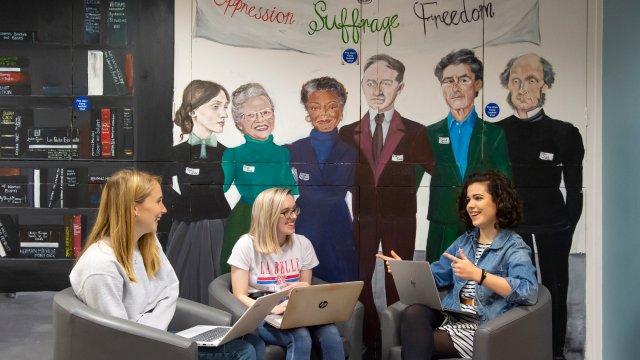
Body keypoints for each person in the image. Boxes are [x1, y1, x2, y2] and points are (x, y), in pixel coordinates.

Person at [69, 169, 264, 360]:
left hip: (161, 335)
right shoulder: (101, 266)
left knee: (254, 342)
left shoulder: (148, 242)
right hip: (142, 347)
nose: (164, 209)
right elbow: (121, 338)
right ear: (134, 208)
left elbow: (170, 289)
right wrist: (161, 328)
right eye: (158, 201)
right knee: (242, 351)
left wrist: (155, 322)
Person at [377, 170, 538, 359]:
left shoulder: (514, 246)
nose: (470, 205)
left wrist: (480, 275)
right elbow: (437, 275)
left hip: (483, 326)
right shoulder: (465, 241)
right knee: (414, 312)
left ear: (499, 201)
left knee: (417, 344)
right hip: (453, 316)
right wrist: (404, 270)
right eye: (468, 199)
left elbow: (529, 291)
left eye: (478, 198)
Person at [338, 54, 434, 353]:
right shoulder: (347, 132)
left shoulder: (417, 132)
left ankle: (397, 338)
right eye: (371, 82)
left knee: (397, 279)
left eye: (386, 82)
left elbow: (436, 171)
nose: (378, 89)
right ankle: (371, 339)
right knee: (361, 277)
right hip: (363, 217)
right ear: (363, 86)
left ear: (400, 87)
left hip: (401, 218)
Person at [496, 53, 584, 360]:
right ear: (507, 83)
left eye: (531, 79)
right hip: (513, 226)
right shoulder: (496, 132)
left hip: (553, 225)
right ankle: (519, 345)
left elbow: (575, 191)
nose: (522, 88)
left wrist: (567, 231)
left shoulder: (565, 132)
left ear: (545, 83)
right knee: (515, 288)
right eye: (516, 80)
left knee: (555, 287)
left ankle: (554, 349)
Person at [227, 187, 345, 360]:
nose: (294, 216)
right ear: (268, 215)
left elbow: (305, 286)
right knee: (301, 336)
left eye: (294, 210)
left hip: (296, 307)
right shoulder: (246, 245)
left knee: (332, 334)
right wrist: (272, 308)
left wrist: (305, 289)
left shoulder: (303, 244)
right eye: (285, 212)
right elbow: (239, 295)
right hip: (263, 311)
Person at [426, 48, 512, 263]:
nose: (455, 88)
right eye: (447, 81)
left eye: (463, 79)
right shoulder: (428, 134)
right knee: (439, 288)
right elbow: (409, 183)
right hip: (442, 227)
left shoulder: (494, 134)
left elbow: (505, 185)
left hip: (481, 227)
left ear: (478, 84)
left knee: (476, 291)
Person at [163, 80, 232, 304]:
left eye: (225, 107)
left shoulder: (228, 154)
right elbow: (160, 186)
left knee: (221, 285)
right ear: (193, 110)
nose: (223, 114)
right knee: (186, 287)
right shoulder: (176, 153)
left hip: (222, 227)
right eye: (215, 106)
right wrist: (181, 209)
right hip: (187, 229)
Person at [220, 83, 298, 274]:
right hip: (246, 219)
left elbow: (292, 192)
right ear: (239, 122)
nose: (260, 120)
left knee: (276, 274)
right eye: (251, 115)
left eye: (265, 112)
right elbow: (218, 189)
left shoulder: (283, 154)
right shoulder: (233, 155)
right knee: (240, 273)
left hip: (278, 219)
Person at [286, 76, 358, 283]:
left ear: (341, 110)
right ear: (308, 112)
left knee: (341, 284)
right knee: (303, 287)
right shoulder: (294, 150)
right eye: (316, 107)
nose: (324, 114)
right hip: (304, 224)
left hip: (339, 225)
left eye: (331, 106)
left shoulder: (353, 152)